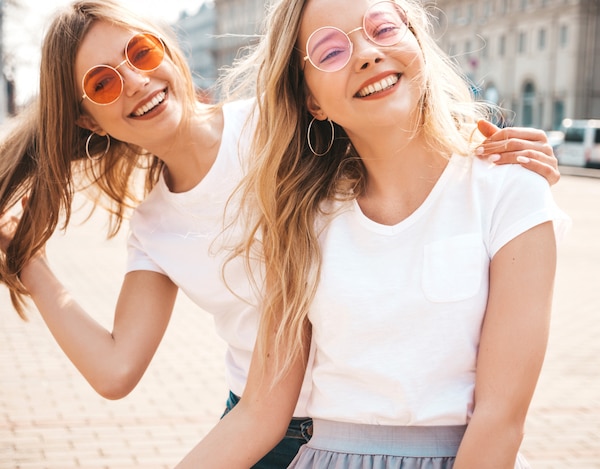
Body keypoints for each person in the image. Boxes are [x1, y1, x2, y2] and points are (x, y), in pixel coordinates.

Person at [0, 1, 560, 468]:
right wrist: (30, 264)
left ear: (169, 50)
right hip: (267, 423)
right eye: (102, 83)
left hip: (381, 420)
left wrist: (489, 152)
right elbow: (117, 369)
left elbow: (388, 119)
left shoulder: (277, 124)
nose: (138, 82)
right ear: (87, 120)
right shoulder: (156, 225)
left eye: (142, 52)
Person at [176, 0, 570, 468]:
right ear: (312, 100)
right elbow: (259, 412)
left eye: (382, 29)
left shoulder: (511, 191)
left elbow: (501, 418)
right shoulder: (302, 218)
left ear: (417, 40)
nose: (366, 54)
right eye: (329, 51)